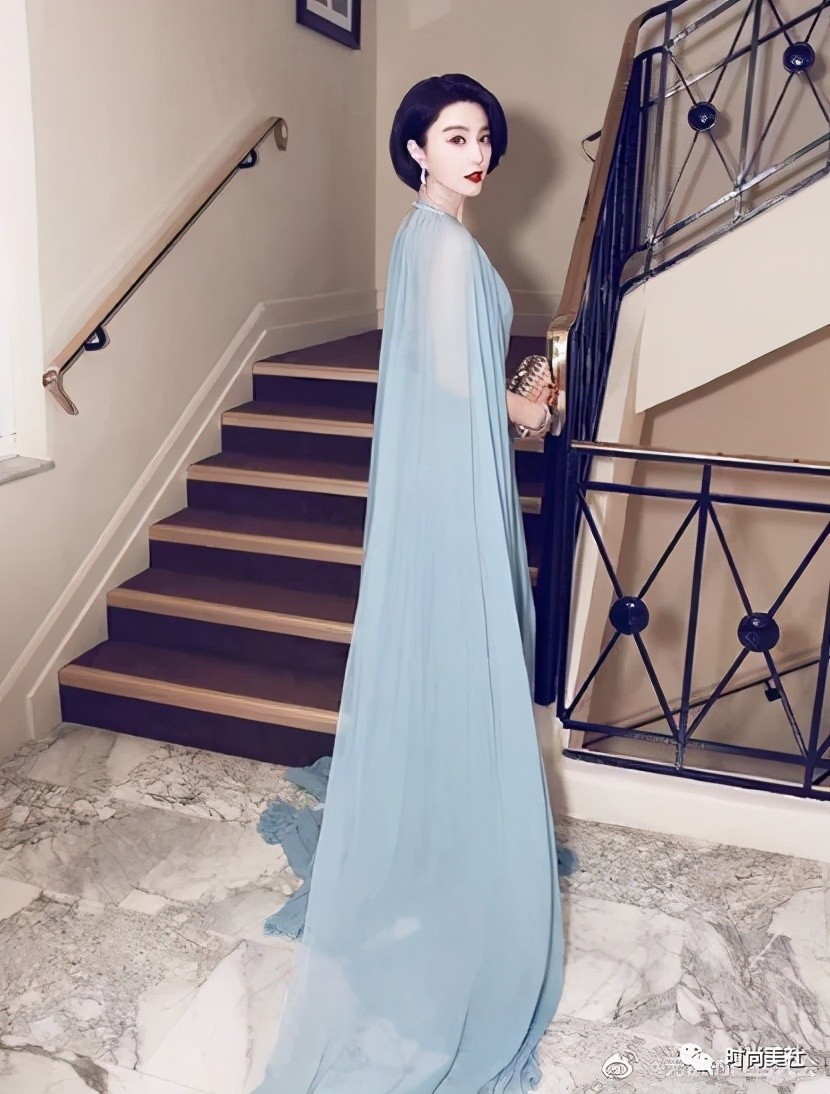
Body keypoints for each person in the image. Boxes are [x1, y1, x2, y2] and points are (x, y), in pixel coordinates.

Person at [254, 72, 563, 1093]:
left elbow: (444, 373)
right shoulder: (443, 245)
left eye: (483, 136)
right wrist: (526, 407)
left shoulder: (424, 236)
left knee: (445, 651)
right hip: (449, 483)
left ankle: (439, 811)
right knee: (461, 644)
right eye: (454, 136)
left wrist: (512, 402)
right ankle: (451, 832)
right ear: (417, 150)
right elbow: (452, 381)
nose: (476, 153)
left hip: (443, 471)